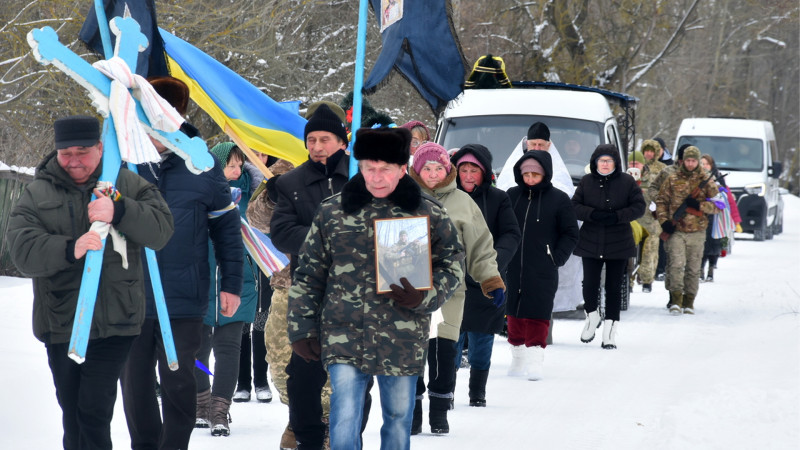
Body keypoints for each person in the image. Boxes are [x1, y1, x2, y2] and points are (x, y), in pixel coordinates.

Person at [287, 127, 465, 450]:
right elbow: (309, 274)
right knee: (344, 415)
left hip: (402, 335)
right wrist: (301, 328)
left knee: (398, 418)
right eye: (370, 168)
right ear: (359, 166)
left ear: (402, 169)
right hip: (343, 333)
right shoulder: (333, 211)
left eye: (385, 169)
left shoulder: (427, 212)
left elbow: (452, 263)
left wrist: (425, 296)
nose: (377, 177)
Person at [8, 115, 174, 450]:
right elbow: (22, 250)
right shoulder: (37, 192)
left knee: (93, 410)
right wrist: (70, 248)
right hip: (62, 320)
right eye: (65, 154)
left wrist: (120, 211)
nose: (73, 161)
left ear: (100, 147)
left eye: (82, 152)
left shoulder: (125, 184)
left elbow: (161, 231)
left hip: (118, 321)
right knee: (72, 413)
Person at [121, 76, 243, 450]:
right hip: (129, 296)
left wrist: (231, 284)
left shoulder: (202, 165)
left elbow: (227, 231)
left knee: (178, 381)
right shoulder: (123, 161)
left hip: (184, 297)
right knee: (135, 383)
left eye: (164, 116)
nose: (156, 125)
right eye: (148, 115)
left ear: (177, 117)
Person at [270, 103, 354, 450]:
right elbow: (281, 232)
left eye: (325, 139)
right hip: (307, 290)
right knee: (302, 371)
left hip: (354, 292)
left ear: (342, 142)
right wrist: (325, 236)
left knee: (349, 373)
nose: (317, 146)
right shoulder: (291, 182)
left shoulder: (362, 179)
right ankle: (306, 435)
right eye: (311, 140)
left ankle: (343, 434)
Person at [409, 142, 505, 434]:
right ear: (416, 170)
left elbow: (480, 246)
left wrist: (490, 279)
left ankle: (439, 411)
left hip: (448, 290)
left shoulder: (463, 202)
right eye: (427, 168)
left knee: (443, 350)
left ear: (448, 170)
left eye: (439, 168)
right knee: (410, 352)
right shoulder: (402, 197)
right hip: (407, 289)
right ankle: (412, 412)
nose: (433, 174)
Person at [193, 142, 259, 436]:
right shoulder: (199, 192)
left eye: (239, 164)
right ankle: (201, 403)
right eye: (230, 165)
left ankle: (220, 410)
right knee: (197, 349)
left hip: (239, 282)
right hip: (202, 282)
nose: (236, 170)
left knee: (228, 349)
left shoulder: (253, 196)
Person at [449, 144, 520, 405]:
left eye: (474, 170)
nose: (468, 176)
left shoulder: (499, 199)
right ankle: (445, 391)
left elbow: (511, 234)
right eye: (463, 170)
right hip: (453, 279)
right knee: (450, 339)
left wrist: (493, 262)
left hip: (487, 280)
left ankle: (477, 392)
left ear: (485, 172)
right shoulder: (447, 197)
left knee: (482, 337)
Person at [505, 150, 579, 379]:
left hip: (543, 266)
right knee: (513, 311)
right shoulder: (511, 196)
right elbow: (500, 227)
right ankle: (517, 356)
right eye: (526, 174)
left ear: (545, 174)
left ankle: (535, 358)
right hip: (512, 265)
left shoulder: (559, 199)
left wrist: (557, 257)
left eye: (535, 175)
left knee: (538, 311)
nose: (530, 179)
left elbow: (570, 233)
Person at [572, 144, 645, 349]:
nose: (604, 164)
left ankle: (610, 331)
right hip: (590, 240)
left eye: (609, 160)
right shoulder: (586, 181)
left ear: (615, 163)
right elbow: (574, 206)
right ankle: (592, 315)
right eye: (601, 160)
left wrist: (618, 216)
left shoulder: (627, 182)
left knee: (614, 287)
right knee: (589, 284)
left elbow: (639, 207)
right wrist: (592, 214)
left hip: (618, 242)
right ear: (595, 163)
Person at [246, 157, 298, 448]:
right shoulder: (284, 167)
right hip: (288, 281)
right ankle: (298, 414)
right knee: (279, 358)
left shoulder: (348, 168)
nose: (318, 145)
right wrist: (272, 196)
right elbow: (254, 218)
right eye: (313, 138)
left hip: (336, 285)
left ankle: (324, 422)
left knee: (331, 361)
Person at [656, 146, 720, 315]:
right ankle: (676, 300)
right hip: (676, 230)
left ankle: (689, 301)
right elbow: (661, 201)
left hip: (697, 231)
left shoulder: (706, 180)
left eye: (693, 160)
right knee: (676, 265)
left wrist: (700, 206)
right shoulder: (672, 178)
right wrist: (664, 221)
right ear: (682, 161)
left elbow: (719, 205)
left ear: (698, 161)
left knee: (693, 268)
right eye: (687, 160)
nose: (690, 164)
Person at [637, 141, 667, 293]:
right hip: (636, 216)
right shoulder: (636, 167)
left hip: (652, 217)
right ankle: (630, 279)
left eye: (651, 151)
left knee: (650, 250)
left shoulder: (662, 169)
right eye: (646, 150)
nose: (648, 154)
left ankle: (647, 280)